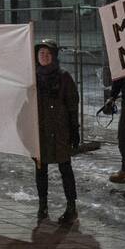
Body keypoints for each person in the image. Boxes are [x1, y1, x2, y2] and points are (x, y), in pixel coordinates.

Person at [34, 40, 80, 225]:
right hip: (40, 132)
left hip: (60, 131)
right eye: (41, 54)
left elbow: (72, 105)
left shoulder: (64, 77)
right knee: (40, 169)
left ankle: (71, 207)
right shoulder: (33, 77)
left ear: (54, 56)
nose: (44, 57)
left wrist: (74, 130)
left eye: (47, 54)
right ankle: (42, 205)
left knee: (65, 169)